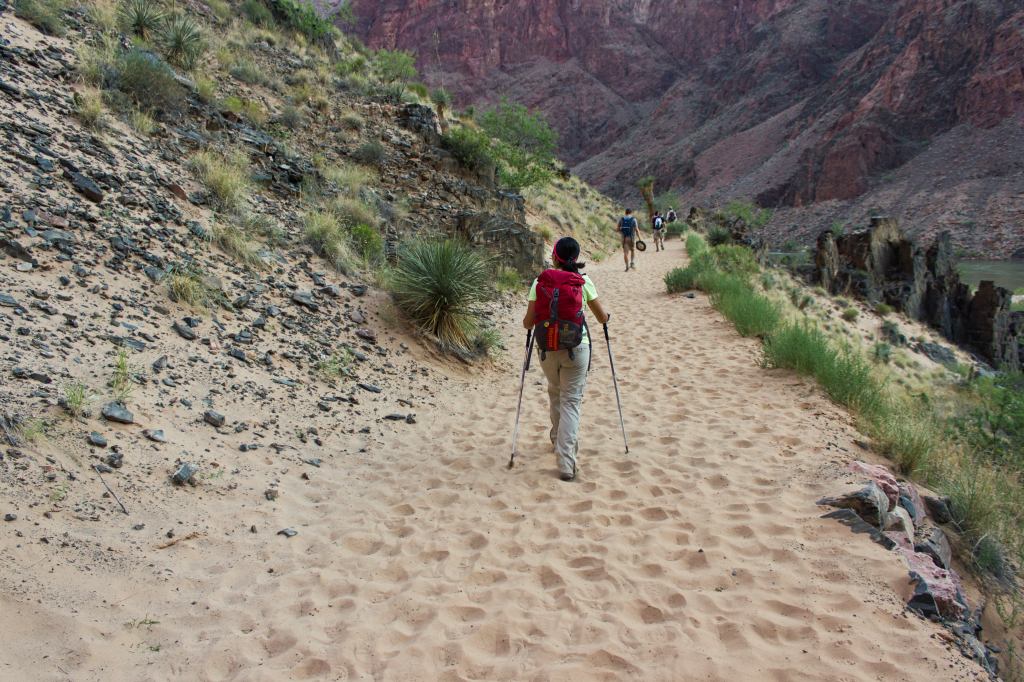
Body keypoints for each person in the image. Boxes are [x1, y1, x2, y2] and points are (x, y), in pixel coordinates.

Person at [523, 237, 609, 481]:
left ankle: (556, 440)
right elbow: (602, 317)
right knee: (571, 401)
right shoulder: (583, 281)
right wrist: (607, 318)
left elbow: (528, 323)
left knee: (555, 392)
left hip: (547, 347)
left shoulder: (540, 282)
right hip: (578, 347)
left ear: (555, 256)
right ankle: (566, 463)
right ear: (576, 256)